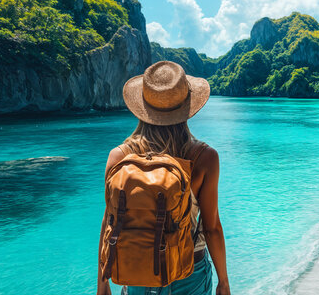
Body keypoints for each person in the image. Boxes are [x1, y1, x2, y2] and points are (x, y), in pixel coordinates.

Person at [97, 61, 230, 295]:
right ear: (187, 107)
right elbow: (212, 229)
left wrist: (102, 283)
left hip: (136, 271)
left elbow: (109, 223)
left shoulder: (119, 157)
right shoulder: (204, 157)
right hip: (190, 272)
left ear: (143, 107)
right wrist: (224, 282)